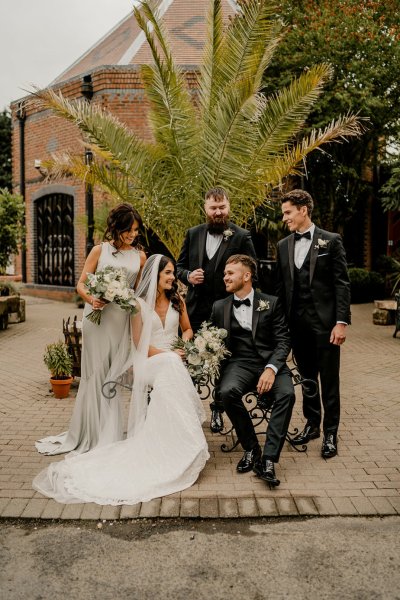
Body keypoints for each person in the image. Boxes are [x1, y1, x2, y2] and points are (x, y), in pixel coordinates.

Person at [32, 255, 209, 505]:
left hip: (173, 361)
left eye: (172, 273)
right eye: (168, 273)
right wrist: (171, 354)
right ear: (154, 275)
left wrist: (186, 344)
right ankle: (183, 436)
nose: (172, 277)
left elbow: (188, 328)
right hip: (148, 363)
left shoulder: (178, 300)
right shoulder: (137, 305)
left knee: (172, 368)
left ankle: (171, 438)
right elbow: (140, 346)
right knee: (171, 364)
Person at [35, 203, 146, 456]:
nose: (132, 235)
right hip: (96, 317)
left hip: (121, 320)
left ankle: (110, 430)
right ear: (116, 227)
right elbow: (81, 285)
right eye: (128, 230)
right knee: (94, 374)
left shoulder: (140, 256)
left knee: (112, 374)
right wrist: (92, 299)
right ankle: (90, 432)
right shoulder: (99, 250)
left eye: (136, 230)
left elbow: (137, 293)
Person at [275, 189, 351, 459]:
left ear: (303, 210)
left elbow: (341, 284)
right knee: (308, 380)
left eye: (288, 212)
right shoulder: (283, 246)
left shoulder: (331, 241)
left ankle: (331, 432)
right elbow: (281, 289)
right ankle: (312, 425)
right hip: (297, 327)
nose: (284, 218)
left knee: (329, 380)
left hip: (326, 325)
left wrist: (341, 322)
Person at [177, 187, 257, 433]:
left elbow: (253, 271)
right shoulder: (193, 234)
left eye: (222, 207)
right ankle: (187, 412)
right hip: (194, 312)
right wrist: (189, 276)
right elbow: (179, 265)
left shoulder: (241, 236)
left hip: (227, 313)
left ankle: (218, 410)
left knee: (224, 362)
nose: (218, 212)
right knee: (189, 361)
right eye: (214, 207)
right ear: (206, 208)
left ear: (228, 208)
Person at [210, 255, 295, 487]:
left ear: (246, 276)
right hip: (240, 364)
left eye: (230, 273)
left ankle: (268, 460)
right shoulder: (219, 307)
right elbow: (212, 341)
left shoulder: (271, 303)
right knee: (228, 392)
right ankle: (251, 449)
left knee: (287, 394)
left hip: (269, 363)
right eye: (225, 273)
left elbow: (283, 341)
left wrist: (271, 368)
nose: (225, 277)